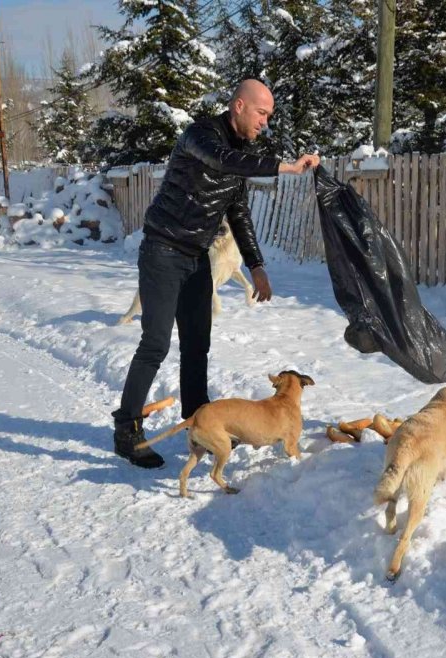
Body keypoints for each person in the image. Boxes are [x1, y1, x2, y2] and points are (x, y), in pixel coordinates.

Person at [112, 79, 320, 469]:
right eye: (262, 113)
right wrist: (285, 167)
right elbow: (224, 161)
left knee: (197, 344)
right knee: (155, 343)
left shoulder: (241, 152)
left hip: (196, 257)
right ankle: (127, 430)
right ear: (239, 106)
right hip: (162, 249)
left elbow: (238, 212)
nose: (265, 123)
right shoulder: (200, 136)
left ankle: (200, 423)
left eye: (269, 117)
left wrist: (257, 266)